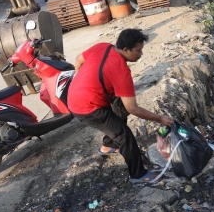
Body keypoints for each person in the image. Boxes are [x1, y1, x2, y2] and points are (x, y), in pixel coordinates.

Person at [68, 29, 174, 183]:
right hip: (87, 108)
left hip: (76, 94)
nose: (141, 54)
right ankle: (138, 175)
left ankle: (108, 145)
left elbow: (78, 60)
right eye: (138, 51)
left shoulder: (103, 46)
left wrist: (81, 82)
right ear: (125, 50)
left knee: (120, 107)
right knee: (125, 137)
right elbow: (133, 108)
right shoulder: (121, 71)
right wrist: (160, 118)